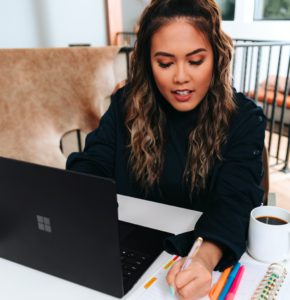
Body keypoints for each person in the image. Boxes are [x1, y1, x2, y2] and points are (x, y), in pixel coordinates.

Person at [66, 0, 266, 298]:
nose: (181, 77)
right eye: (165, 63)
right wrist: (85, 210)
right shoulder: (125, 104)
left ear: (217, 57)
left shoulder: (244, 119)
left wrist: (201, 260)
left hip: (190, 256)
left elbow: (235, 201)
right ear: (148, 62)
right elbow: (93, 163)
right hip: (122, 248)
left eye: (196, 61)